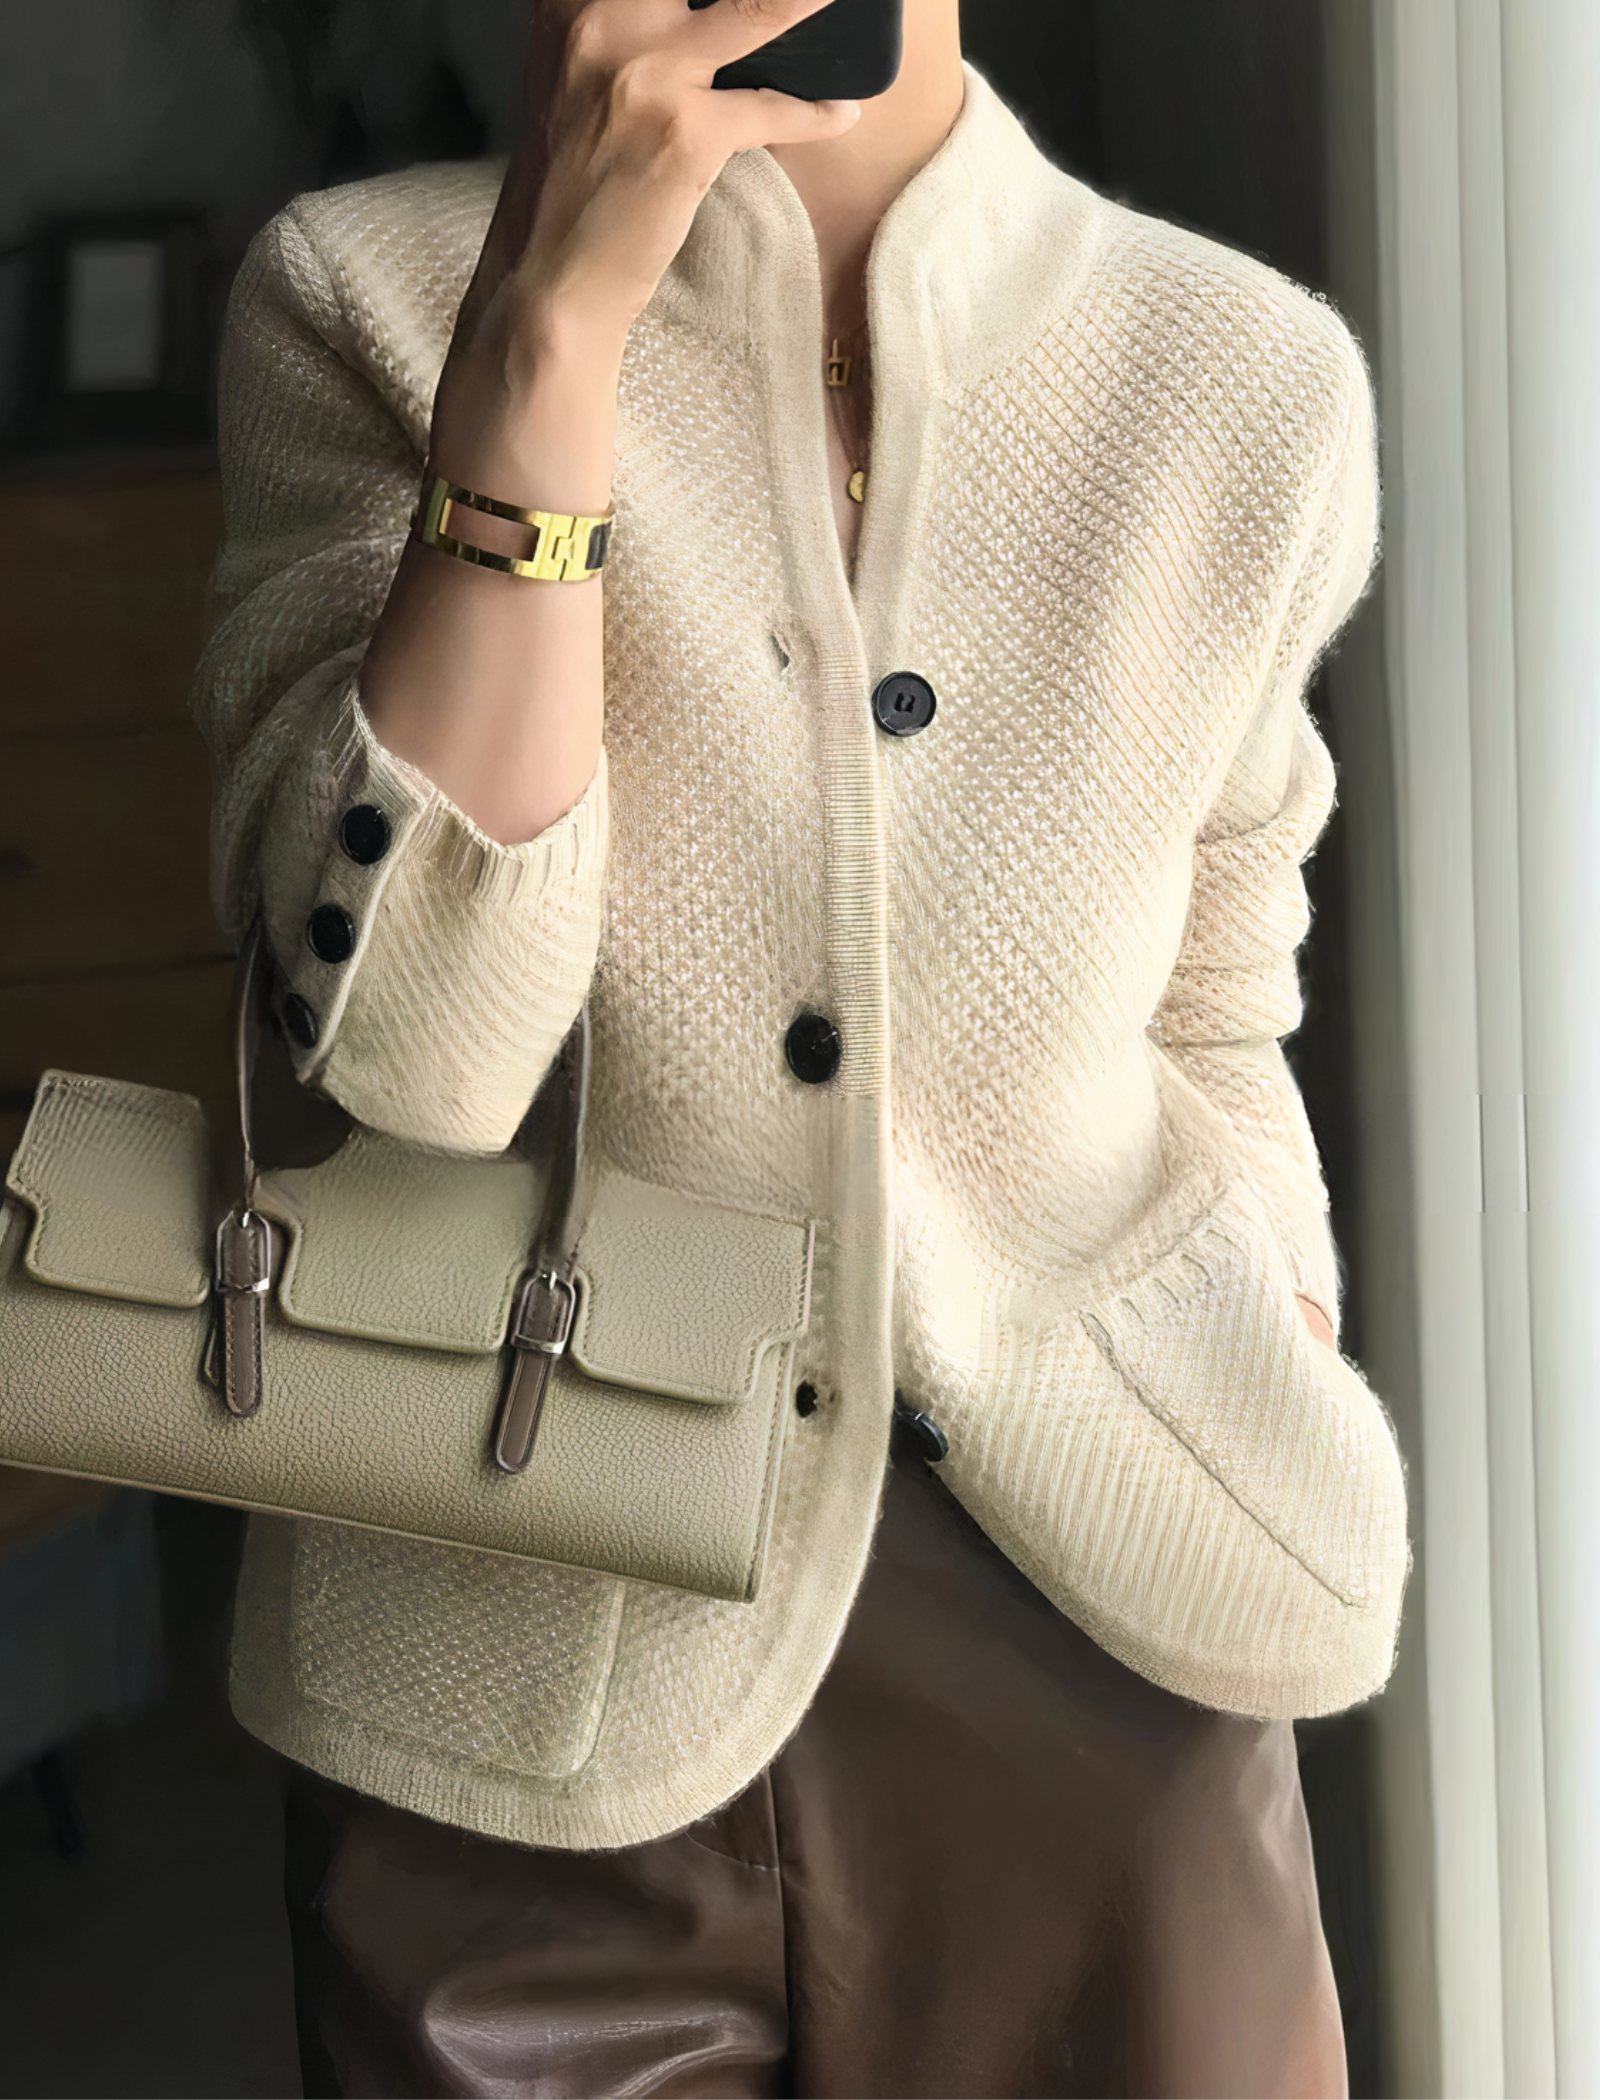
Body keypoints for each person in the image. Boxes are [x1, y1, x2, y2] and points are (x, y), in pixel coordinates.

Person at [194, 1, 1410, 2091]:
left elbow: (1220, 990)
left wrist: (1276, 1299)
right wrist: (545, 345)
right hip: (520, 1671)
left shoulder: (1242, 376)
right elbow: (413, 1051)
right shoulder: (366, 300)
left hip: (1097, 1634)